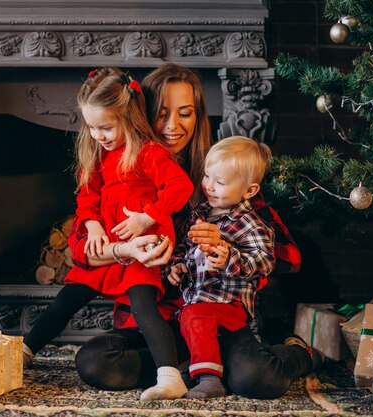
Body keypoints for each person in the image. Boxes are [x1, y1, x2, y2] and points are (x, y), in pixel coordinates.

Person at [73, 63, 316, 400]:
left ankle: (290, 355)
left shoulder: (221, 178)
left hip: (214, 318)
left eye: (185, 113)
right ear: (139, 115)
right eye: (162, 114)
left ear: (198, 117)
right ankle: (190, 369)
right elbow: (80, 250)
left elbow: (288, 257)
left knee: (260, 379)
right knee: (95, 362)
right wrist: (122, 251)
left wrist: (226, 247)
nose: (173, 126)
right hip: (156, 326)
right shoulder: (120, 175)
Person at [22, 67, 195, 400]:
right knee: (65, 301)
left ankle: (170, 375)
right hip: (111, 244)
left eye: (105, 127)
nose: (97, 134)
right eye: (91, 126)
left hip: (141, 249)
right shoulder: (99, 154)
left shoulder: (149, 153)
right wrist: (92, 224)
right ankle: (25, 351)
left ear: (129, 119)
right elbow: (87, 196)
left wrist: (147, 217)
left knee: (145, 310)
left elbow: (180, 186)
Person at [168, 136, 275, 398]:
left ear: (249, 190)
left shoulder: (251, 224)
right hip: (196, 301)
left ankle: (209, 379)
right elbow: (185, 247)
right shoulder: (199, 213)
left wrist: (229, 257)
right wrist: (177, 265)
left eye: (221, 182)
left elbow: (264, 262)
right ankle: (195, 366)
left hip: (230, 305)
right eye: (207, 176)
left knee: (195, 316)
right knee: (191, 317)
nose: (209, 186)